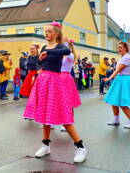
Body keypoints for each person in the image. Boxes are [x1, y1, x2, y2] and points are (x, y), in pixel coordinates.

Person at [23, 22, 87, 163]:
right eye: (45, 31)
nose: (46, 33)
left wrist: (48, 52)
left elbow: (65, 52)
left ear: (57, 34)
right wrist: (39, 64)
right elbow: (39, 63)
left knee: (63, 116)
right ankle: (45, 145)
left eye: (49, 31)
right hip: (43, 81)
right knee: (45, 114)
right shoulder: (45, 47)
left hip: (55, 82)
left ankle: (80, 146)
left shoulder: (60, 47)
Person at [105, 42, 130, 129]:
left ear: (125, 48)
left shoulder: (127, 57)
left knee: (122, 102)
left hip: (124, 80)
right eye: (118, 47)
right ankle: (116, 119)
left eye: (121, 47)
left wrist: (110, 78)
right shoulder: (122, 57)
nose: (119, 49)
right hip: (119, 79)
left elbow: (118, 70)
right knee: (114, 100)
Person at [59, 38, 81, 132]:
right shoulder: (63, 55)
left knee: (68, 101)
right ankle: (51, 121)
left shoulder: (70, 55)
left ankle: (68, 122)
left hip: (66, 78)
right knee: (57, 100)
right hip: (59, 77)